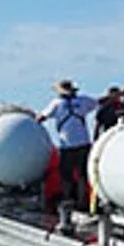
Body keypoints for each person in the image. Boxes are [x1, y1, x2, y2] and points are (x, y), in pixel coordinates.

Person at [39, 79, 96, 208]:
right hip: (83, 143)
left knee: (66, 175)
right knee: (82, 175)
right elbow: (98, 102)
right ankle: (82, 201)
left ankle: (67, 200)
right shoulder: (83, 101)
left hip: (68, 145)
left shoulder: (56, 104)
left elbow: (41, 117)